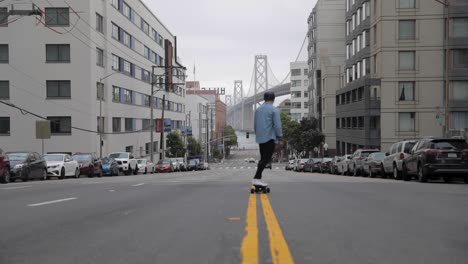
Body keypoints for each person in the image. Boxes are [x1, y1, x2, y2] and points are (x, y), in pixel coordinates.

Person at [252, 92, 283, 187]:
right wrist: (280, 137)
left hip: (260, 138)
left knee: (263, 159)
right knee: (266, 159)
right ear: (273, 99)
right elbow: (277, 126)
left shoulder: (257, 110)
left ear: (264, 99)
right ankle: (256, 178)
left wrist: (258, 135)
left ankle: (258, 179)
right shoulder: (274, 110)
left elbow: (255, 125)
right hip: (270, 137)